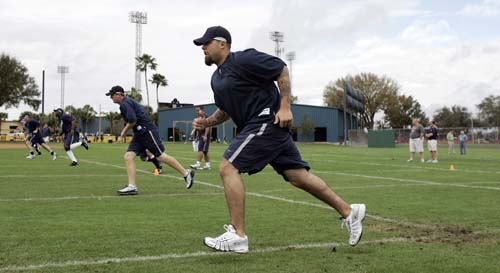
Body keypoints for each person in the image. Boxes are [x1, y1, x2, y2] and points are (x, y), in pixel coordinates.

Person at [192, 26, 365, 253]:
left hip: (266, 121)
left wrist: (285, 106)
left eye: (207, 43)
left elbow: (280, 69)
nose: (203, 47)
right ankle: (350, 212)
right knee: (297, 177)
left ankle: (237, 234)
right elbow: (224, 111)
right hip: (265, 130)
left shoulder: (244, 59)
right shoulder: (216, 79)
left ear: (222, 44)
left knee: (227, 167)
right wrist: (206, 123)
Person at [106, 85, 194, 195]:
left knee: (161, 156)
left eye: (112, 95)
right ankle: (132, 186)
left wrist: (123, 131)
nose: (111, 98)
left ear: (119, 94)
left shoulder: (125, 103)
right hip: (139, 133)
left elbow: (133, 120)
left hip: (147, 131)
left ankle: (186, 174)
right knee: (128, 156)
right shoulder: (126, 103)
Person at [191, 106, 211, 170]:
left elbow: (207, 127)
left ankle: (198, 164)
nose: (197, 112)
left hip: (204, 135)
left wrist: (205, 135)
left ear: (202, 110)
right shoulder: (199, 118)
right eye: (196, 110)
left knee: (200, 149)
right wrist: (197, 137)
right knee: (205, 151)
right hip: (200, 135)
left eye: (198, 110)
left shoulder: (206, 117)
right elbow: (198, 129)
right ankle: (207, 165)